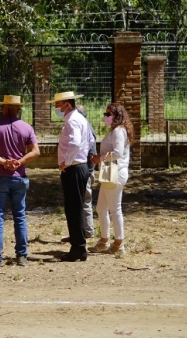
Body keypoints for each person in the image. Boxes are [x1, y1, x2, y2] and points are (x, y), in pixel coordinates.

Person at [0, 95, 40, 267]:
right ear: (18, 109)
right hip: (19, 177)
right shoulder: (26, 127)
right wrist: (19, 162)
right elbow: (35, 151)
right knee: (19, 216)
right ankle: (22, 256)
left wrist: (3, 162)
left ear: (3, 108)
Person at [47, 91, 94, 262]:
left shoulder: (73, 120)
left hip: (74, 168)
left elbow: (75, 143)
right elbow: (89, 142)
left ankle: (78, 248)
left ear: (67, 104)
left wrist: (67, 161)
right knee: (76, 208)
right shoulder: (80, 119)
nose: (56, 107)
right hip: (80, 166)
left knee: (73, 209)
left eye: (57, 104)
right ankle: (79, 246)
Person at [89, 103, 133, 255]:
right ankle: (103, 240)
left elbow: (118, 153)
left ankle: (119, 243)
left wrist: (99, 158)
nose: (106, 117)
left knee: (115, 209)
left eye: (109, 115)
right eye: (105, 114)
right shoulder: (115, 130)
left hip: (115, 171)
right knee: (101, 208)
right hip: (109, 171)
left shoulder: (119, 131)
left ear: (117, 116)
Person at [61, 104, 97, 242]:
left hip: (83, 169)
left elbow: (91, 150)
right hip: (83, 169)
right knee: (79, 203)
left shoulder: (81, 125)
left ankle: (87, 231)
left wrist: (88, 171)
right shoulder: (83, 125)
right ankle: (80, 232)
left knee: (84, 202)